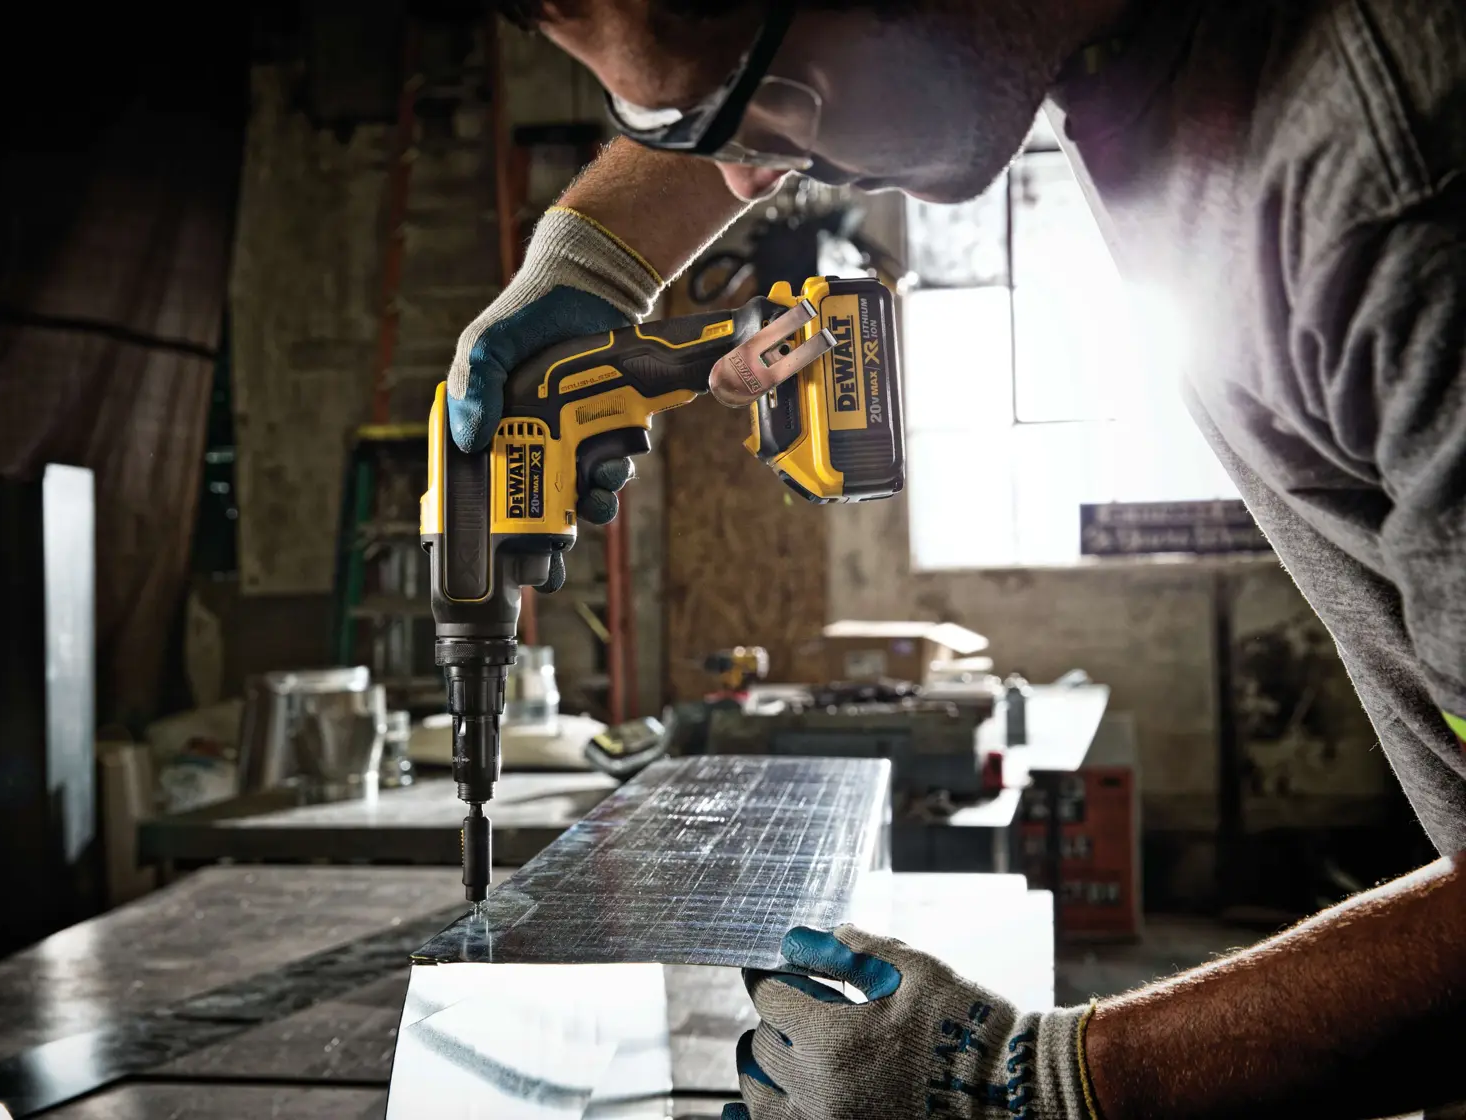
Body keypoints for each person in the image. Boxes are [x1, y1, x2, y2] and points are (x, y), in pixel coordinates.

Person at [452, 0, 1466, 1116]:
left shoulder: (1397, 192)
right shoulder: (1122, 51)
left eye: (763, 98)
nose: (744, 182)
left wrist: (1042, 1085)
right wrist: (593, 259)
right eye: (673, 128)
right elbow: (737, 63)